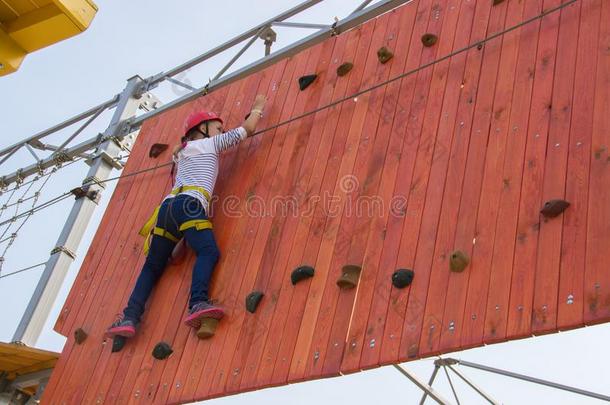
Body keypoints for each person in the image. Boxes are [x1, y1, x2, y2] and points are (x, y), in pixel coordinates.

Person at [106, 94, 267, 338]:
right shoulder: (208, 144)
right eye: (217, 128)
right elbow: (248, 129)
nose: (221, 131)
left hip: (167, 210)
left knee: (152, 267)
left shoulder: (182, 153)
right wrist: (257, 108)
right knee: (208, 251)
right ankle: (197, 303)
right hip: (190, 205)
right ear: (201, 130)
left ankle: (129, 317)